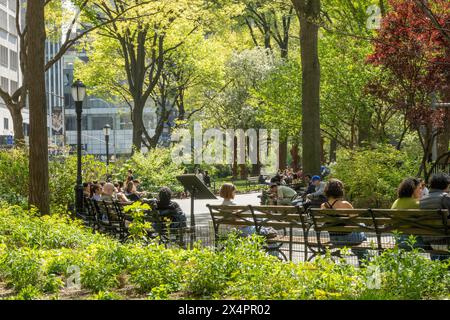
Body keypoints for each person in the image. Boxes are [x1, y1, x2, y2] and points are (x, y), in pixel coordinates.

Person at [321, 179, 367, 266]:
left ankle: (359, 252)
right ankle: (364, 263)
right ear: (340, 191)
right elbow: (357, 221)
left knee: (361, 232)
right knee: (362, 228)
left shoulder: (323, 206)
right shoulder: (345, 204)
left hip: (334, 239)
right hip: (348, 238)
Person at [419, 173, 450, 260]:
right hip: (446, 240)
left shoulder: (422, 200)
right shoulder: (445, 198)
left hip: (429, 241)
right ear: (446, 185)